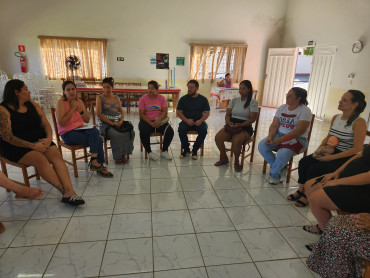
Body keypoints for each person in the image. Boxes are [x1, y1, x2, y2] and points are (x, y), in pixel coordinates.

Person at [0, 79, 85, 205]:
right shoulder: (3, 110)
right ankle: (64, 192)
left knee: (56, 156)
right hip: (16, 146)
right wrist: (33, 146)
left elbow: (46, 124)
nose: (29, 92)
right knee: (40, 159)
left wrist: (49, 138)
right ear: (16, 92)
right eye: (25, 89)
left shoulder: (33, 105)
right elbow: (8, 137)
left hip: (40, 140)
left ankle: (70, 191)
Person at [287, 90, 367, 207]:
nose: (340, 101)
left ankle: (308, 195)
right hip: (330, 151)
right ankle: (301, 189)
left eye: (344, 100)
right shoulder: (336, 117)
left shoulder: (359, 122)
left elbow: (357, 149)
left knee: (315, 168)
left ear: (355, 104)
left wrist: (332, 157)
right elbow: (328, 137)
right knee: (304, 162)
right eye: (341, 98)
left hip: (345, 156)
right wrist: (318, 150)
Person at [301, 144, 370, 235]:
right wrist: (337, 172)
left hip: (363, 190)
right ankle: (325, 228)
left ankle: (330, 237)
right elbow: (361, 154)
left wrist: (338, 182)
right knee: (310, 185)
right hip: (349, 180)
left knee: (316, 199)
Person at [56, 81, 113, 177]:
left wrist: (80, 110)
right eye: (68, 90)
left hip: (81, 129)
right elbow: (62, 122)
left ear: (76, 90)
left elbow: (86, 120)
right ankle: (98, 165)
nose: (71, 92)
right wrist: (72, 109)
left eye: (73, 89)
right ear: (64, 92)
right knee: (98, 139)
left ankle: (94, 161)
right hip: (67, 133)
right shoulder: (60, 102)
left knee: (95, 131)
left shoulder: (79, 101)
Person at [258, 87, 312, 184]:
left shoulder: (305, 110)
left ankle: (275, 175)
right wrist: (270, 136)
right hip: (279, 134)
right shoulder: (282, 107)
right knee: (262, 146)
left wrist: (281, 140)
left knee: (283, 153)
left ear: (298, 98)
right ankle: (281, 168)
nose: (287, 97)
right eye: (287, 94)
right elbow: (275, 124)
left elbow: (299, 131)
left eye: (290, 95)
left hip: (298, 139)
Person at [215, 80, 258, 171]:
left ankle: (236, 161)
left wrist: (240, 125)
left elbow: (252, 119)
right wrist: (229, 123)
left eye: (243, 88)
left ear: (249, 90)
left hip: (245, 127)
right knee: (218, 137)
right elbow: (227, 114)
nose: (241, 90)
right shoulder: (234, 100)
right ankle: (224, 158)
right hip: (232, 125)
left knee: (236, 140)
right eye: (240, 88)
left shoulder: (253, 102)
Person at [96, 77, 135, 164]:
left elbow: (121, 111)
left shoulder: (116, 98)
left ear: (112, 88)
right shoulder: (99, 98)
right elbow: (99, 114)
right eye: (104, 87)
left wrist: (121, 120)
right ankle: (117, 156)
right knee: (116, 134)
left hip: (117, 122)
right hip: (105, 124)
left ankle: (124, 153)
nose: (106, 89)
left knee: (130, 132)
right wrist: (112, 123)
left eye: (108, 87)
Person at [138, 80, 174, 161]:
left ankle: (164, 151)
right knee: (143, 131)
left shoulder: (161, 98)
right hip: (147, 121)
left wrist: (159, 120)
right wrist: (151, 123)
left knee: (170, 131)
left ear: (157, 90)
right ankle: (149, 152)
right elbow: (142, 114)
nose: (150, 90)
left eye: (152, 88)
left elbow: (165, 111)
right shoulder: (143, 99)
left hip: (159, 120)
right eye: (149, 88)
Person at [176, 80, 210, 160]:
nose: (189, 89)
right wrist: (186, 120)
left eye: (191, 87)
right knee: (181, 129)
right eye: (188, 87)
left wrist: (201, 120)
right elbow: (178, 112)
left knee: (204, 130)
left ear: (197, 88)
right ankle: (186, 150)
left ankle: (195, 150)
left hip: (199, 121)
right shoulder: (183, 99)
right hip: (186, 121)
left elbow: (207, 113)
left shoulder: (203, 99)